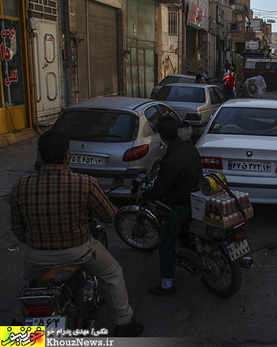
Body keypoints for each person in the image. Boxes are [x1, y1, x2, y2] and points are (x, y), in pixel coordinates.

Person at [10, 129, 142, 337]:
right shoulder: (84, 183)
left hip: (37, 254)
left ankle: (19, 323)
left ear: (41, 155)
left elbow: (17, 228)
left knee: (27, 281)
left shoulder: (21, 186)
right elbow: (108, 216)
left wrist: (35, 242)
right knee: (112, 273)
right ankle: (125, 323)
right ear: (67, 155)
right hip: (78, 251)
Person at [137, 116, 203, 297]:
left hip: (181, 205)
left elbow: (160, 189)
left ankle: (166, 284)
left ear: (162, 136)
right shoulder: (190, 148)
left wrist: (144, 194)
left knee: (165, 243)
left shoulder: (172, 159)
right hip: (197, 199)